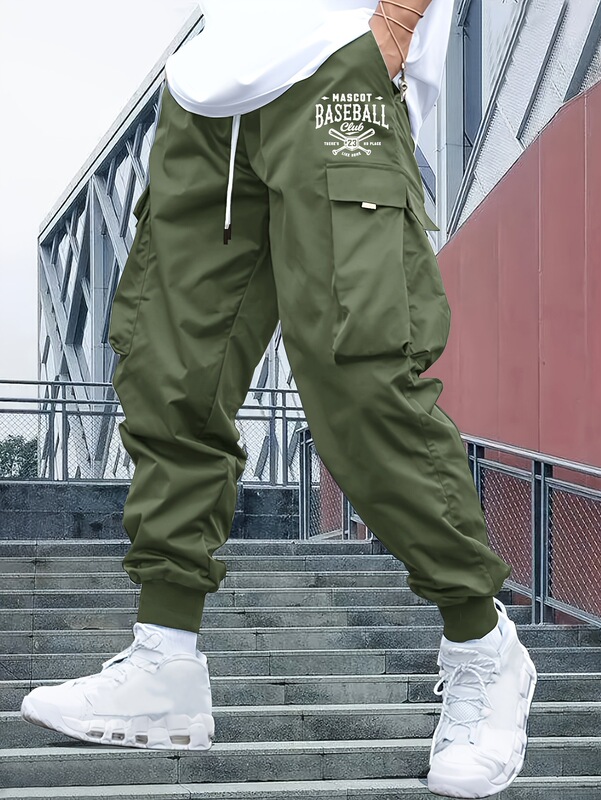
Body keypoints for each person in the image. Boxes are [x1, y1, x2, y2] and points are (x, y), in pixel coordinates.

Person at [21, 2, 538, 796]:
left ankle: (482, 647)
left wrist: (398, 22)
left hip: (333, 68)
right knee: (167, 379)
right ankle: (164, 661)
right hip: (204, 94)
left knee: (360, 376)